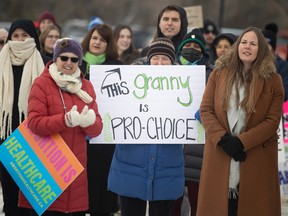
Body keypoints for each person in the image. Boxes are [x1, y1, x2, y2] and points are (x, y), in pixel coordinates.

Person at [197, 26, 284, 216]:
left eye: (253, 44)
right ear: (237, 46)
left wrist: (241, 142)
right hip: (220, 152)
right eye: (244, 42)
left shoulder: (273, 81)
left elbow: (271, 121)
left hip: (255, 157)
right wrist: (223, 139)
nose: (247, 46)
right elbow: (206, 110)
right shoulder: (219, 74)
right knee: (220, 207)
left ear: (260, 50)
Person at [18, 37, 103, 215]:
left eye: (74, 59)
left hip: (75, 175)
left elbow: (97, 129)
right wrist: (64, 120)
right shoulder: (42, 83)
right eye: (64, 58)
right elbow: (34, 123)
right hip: (46, 172)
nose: (68, 63)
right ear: (55, 58)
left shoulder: (86, 87)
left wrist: (89, 123)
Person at [108, 37, 184, 216]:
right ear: (148, 60)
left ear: (172, 62)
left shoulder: (185, 88)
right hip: (130, 165)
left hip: (166, 167)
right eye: (155, 58)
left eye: (165, 59)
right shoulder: (127, 84)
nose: (159, 63)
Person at [0, 18, 50, 216]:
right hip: (6, 138)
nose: (20, 40)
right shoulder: (2, 62)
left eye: (25, 36)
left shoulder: (46, 65)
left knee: (34, 200)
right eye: (15, 36)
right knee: (11, 199)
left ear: (34, 38)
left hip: (35, 140)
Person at [80, 23, 122, 216]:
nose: (98, 42)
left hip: (105, 137)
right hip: (77, 135)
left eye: (103, 40)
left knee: (102, 183)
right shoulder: (75, 63)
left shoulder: (117, 67)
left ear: (109, 44)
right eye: (95, 38)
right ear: (89, 38)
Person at [170, 28, 213, 216]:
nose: (192, 48)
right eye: (188, 45)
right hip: (172, 148)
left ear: (203, 51)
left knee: (198, 203)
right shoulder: (168, 71)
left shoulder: (212, 74)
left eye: (197, 46)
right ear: (180, 48)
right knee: (172, 204)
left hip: (199, 150)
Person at [262, 24, 288, 101]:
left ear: (272, 48)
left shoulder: (282, 66)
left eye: (266, 46)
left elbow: (285, 93)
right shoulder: (253, 62)